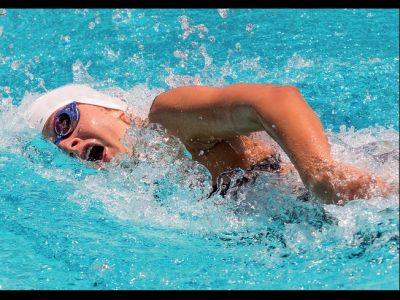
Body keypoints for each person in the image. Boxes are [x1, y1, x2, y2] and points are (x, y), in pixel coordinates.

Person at [25, 83, 394, 205]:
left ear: (111, 110)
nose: (67, 143)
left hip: (367, 182)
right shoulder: (149, 183)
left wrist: (320, 174)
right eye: (58, 142)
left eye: (64, 122)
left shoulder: (167, 118)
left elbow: (275, 100)